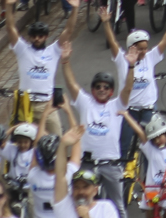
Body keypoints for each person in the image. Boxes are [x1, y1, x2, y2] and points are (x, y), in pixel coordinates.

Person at [60, 46, 136, 215]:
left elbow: (128, 89)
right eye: (98, 86)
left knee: (118, 206)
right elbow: (71, 84)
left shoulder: (117, 104)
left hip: (110, 164)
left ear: (111, 91)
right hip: (87, 163)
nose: (102, 89)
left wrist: (131, 66)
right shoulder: (85, 102)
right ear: (93, 89)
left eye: (106, 87)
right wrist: (65, 61)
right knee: (80, 202)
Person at [5, 0, 79, 134]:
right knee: (22, 143)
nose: (37, 39)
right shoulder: (22, 49)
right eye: (34, 36)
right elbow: (10, 28)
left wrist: (75, 9)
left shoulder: (54, 50)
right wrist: (9, 6)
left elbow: (69, 30)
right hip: (25, 104)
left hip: (47, 105)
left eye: (40, 36)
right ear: (30, 37)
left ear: (46, 36)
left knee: (56, 140)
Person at [100, 20, 166, 161]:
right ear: (131, 47)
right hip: (129, 111)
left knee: (151, 146)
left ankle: (148, 179)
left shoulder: (150, 58)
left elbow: (164, 42)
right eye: (140, 49)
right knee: (124, 146)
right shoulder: (123, 60)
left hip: (148, 109)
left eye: (145, 48)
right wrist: (105, 23)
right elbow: (113, 42)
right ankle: (121, 176)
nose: (144, 52)